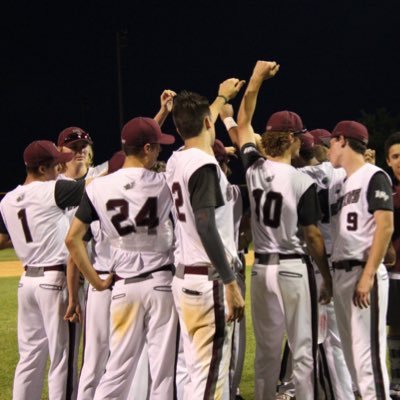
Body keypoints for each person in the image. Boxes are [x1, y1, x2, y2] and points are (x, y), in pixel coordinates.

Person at [236, 60, 332, 400]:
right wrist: (326, 277)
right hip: (293, 268)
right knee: (303, 351)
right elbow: (313, 236)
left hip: (261, 269)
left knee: (265, 353)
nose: (301, 143)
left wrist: (256, 80)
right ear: (291, 139)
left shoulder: (252, 169)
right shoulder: (300, 180)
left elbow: (243, 123)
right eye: (299, 137)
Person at [66, 116, 177, 399]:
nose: (158, 152)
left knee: (117, 369)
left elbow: (72, 239)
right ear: (148, 148)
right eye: (157, 147)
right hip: (161, 282)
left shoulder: (96, 187)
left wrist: (98, 282)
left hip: (122, 287)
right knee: (162, 373)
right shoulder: (165, 182)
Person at [165, 77, 246, 400]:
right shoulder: (203, 163)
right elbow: (205, 225)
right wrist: (229, 282)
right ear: (209, 122)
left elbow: (197, 123)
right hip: (209, 280)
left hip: (185, 277)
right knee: (210, 378)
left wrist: (220, 97)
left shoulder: (176, 160)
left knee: (195, 371)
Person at [0, 140, 91, 400]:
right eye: (55, 164)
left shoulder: (7, 201)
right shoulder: (53, 190)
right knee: (63, 357)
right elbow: (97, 187)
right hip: (56, 281)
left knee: (29, 358)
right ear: (41, 169)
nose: (60, 167)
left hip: (26, 281)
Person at [328, 120, 393, 399]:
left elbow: (385, 225)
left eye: (331, 141)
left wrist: (368, 275)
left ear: (342, 140)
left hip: (362, 273)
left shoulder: (373, 174)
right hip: (342, 274)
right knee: (353, 356)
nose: (328, 147)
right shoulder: (343, 183)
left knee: (368, 359)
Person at [384, 132, 400, 399]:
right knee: (395, 326)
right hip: (394, 274)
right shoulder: (387, 192)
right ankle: (396, 379)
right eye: (396, 156)